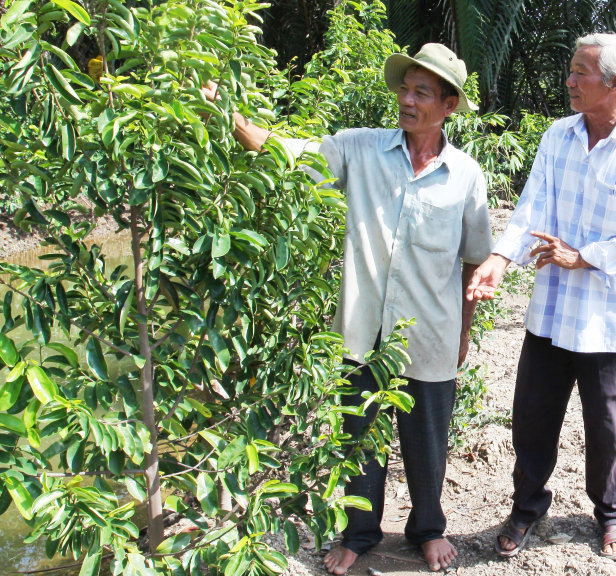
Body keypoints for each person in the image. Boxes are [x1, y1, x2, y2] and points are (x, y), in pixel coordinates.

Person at [205, 43, 492, 574]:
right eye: (404, 88)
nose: (406, 99)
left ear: (448, 106)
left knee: (427, 443)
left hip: (431, 332)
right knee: (357, 439)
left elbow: (474, 260)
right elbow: (283, 152)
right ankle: (360, 532)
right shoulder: (358, 150)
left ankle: (428, 529)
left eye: (421, 92)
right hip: (362, 330)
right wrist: (228, 114)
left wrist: (464, 331)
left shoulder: (466, 177)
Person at [466, 33, 616, 562]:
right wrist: (499, 259)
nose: (570, 81)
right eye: (571, 70)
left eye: (581, 72)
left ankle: (614, 513)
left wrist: (585, 256)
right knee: (533, 418)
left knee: (609, 424)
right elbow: (531, 207)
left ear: (615, 85)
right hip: (552, 311)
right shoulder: (557, 137)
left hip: (607, 318)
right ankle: (526, 508)